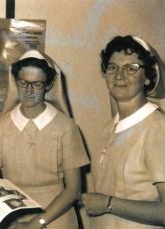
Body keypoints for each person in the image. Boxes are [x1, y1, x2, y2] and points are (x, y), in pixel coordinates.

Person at [0, 50, 89, 228]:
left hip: (56, 218)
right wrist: (13, 222)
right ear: (15, 82)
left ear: (47, 85)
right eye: (23, 83)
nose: (29, 91)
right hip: (13, 216)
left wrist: (37, 222)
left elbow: (73, 190)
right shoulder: (2, 126)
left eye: (37, 84)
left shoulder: (66, 127)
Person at [82, 35, 165, 228]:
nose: (119, 75)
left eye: (131, 68)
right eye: (112, 67)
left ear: (147, 78)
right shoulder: (110, 127)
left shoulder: (158, 129)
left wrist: (108, 204)